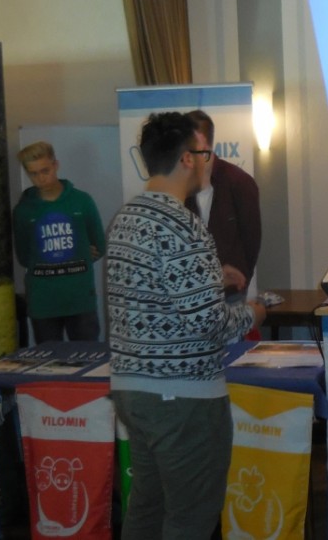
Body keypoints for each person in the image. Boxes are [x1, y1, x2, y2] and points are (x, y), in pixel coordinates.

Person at [107, 111, 265, 540]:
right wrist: (254, 313)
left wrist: (212, 278)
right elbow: (210, 324)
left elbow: (153, 298)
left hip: (133, 390)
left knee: (146, 509)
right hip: (182, 397)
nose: (207, 162)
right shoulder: (183, 225)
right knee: (190, 519)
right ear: (187, 159)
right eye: (203, 154)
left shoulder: (126, 217)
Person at [12, 141, 106, 343]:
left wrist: (79, 254)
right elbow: (24, 256)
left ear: (56, 165)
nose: (40, 178)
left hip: (80, 298)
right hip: (43, 301)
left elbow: (100, 245)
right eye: (33, 173)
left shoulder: (82, 201)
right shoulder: (23, 211)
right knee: (49, 358)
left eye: (45, 170)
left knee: (87, 356)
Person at [184, 109, 262, 303]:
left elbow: (252, 240)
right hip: (190, 292)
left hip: (231, 293)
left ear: (205, 144)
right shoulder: (182, 184)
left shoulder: (239, 182)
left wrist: (240, 277)